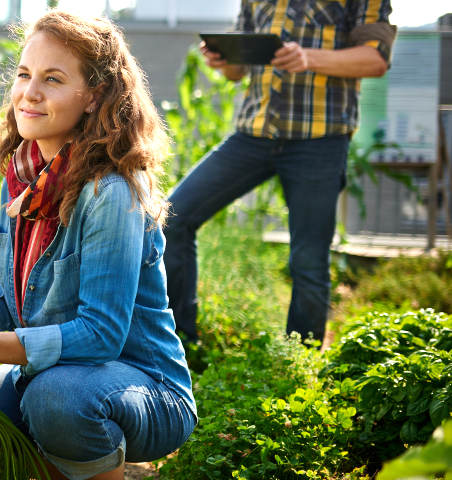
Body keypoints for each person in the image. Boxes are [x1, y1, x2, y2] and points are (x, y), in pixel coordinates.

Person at [0, 10, 196, 480]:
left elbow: (100, 335)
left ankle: (107, 466)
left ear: (94, 96)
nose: (28, 93)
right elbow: (18, 293)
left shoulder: (110, 192)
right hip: (49, 373)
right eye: (23, 74)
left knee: (54, 400)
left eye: (52, 79)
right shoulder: (23, 177)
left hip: (144, 387)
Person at [163, 0, 395, 344]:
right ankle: (180, 344)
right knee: (173, 216)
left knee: (308, 260)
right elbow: (237, 72)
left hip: (319, 139)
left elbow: (376, 59)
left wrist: (308, 58)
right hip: (253, 134)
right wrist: (223, 60)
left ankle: (299, 363)